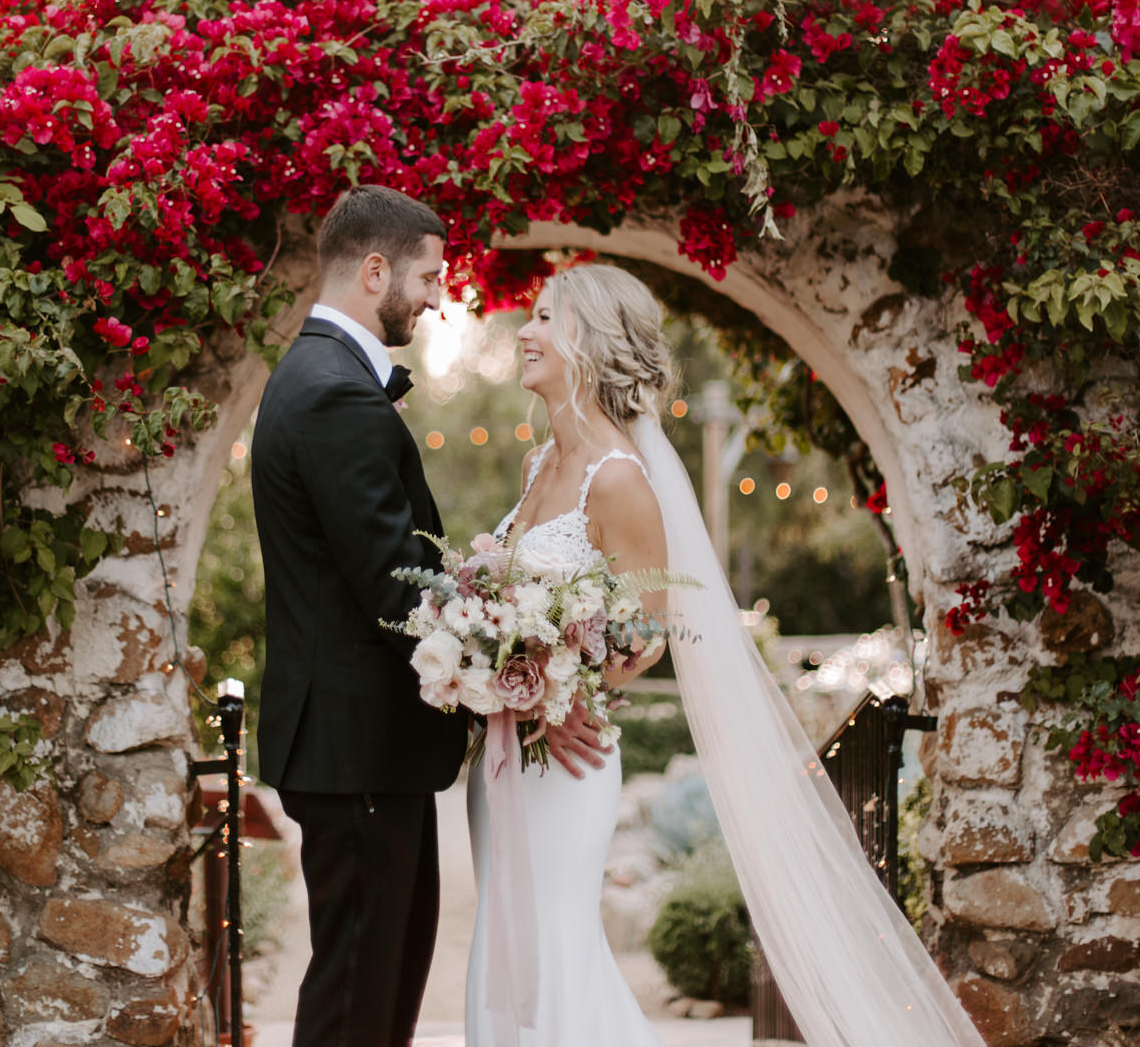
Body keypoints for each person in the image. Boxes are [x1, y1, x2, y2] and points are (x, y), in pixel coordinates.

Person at [467, 262, 988, 1047]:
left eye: (545, 318)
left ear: (593, 341)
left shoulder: (618, 481)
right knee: (503, 948)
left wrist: (555, 692)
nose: (526, 332)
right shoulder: (539, 462)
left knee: (553, 948)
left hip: (566, 759)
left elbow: (644, 635)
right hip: (506, 754)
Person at [251, 185, 466, 1047]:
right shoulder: (334, 391)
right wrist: (505, 638)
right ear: (374, 269)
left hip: (360, 749)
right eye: (429, 274)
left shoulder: (320, 376)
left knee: (376, 991)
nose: (438, 295)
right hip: (359, 747)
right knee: (356, 1000)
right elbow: (395, 582)